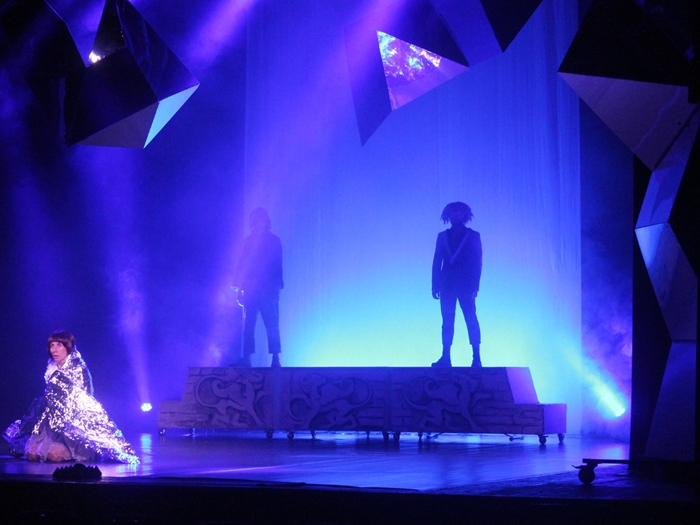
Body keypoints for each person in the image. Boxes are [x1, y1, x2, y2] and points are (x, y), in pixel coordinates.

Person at [2, 330, 139, 464]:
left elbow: (86, 394)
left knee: (54, 456)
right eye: (52, 345)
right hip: (52, 419)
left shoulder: (78, 367)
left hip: (73, 419)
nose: (54, 350)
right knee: (32, 455)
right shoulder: (51, 366)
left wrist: (68, 411)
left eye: (59, 345)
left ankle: (72, 450)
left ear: (68, 347)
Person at [431, 202, 482, 368]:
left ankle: (476, 358)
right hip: (446, 285)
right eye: (453, 212)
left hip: (466, 285)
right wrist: (435, 285)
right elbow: (436, 262)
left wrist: (475, 286)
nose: (455, 215)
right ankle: (446, 357)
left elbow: (477, 263)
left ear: (465, 215)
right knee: (447, 321)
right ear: (448, 215)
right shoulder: (442, 237)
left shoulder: (473, 236)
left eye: (459, 212)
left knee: (470, 319)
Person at [233, 207, 284, 368]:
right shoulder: (248, 242)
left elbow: (277, 265)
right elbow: (242, 265)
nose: (258, 221)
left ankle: (275, 358)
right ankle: (247, 357)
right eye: (256, 218)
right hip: (252, 289)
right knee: (249, 326)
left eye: (261, 218)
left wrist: (277, 286)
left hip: (267, 289)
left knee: (271, 324)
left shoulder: (274, 241)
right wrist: (239, 288)